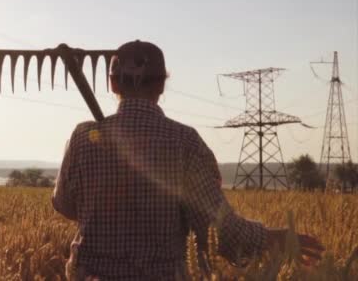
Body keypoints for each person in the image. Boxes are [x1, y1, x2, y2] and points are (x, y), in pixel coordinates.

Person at [51, 40, 324, 280]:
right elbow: (217, 231)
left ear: (112, 83)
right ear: (162, 84)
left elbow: (63, 204)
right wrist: (273, 239)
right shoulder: (186, 142)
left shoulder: (83, 136)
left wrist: (109, 209)